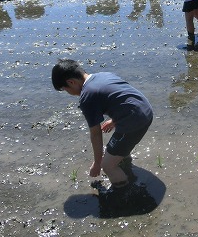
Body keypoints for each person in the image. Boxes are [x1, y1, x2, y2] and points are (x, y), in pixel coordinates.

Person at [51, 59, 153, 201]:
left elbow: (95, 133)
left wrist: (98, 163)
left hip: (134, 121)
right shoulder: (103, 75)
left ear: (71, 82)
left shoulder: (87, 97)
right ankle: (123, 162)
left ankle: (124, 192)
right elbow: (124, 97)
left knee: (108, 166)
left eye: (65, 89)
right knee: (117, 150)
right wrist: (115, 120)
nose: (68, 92)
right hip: (145, 109)